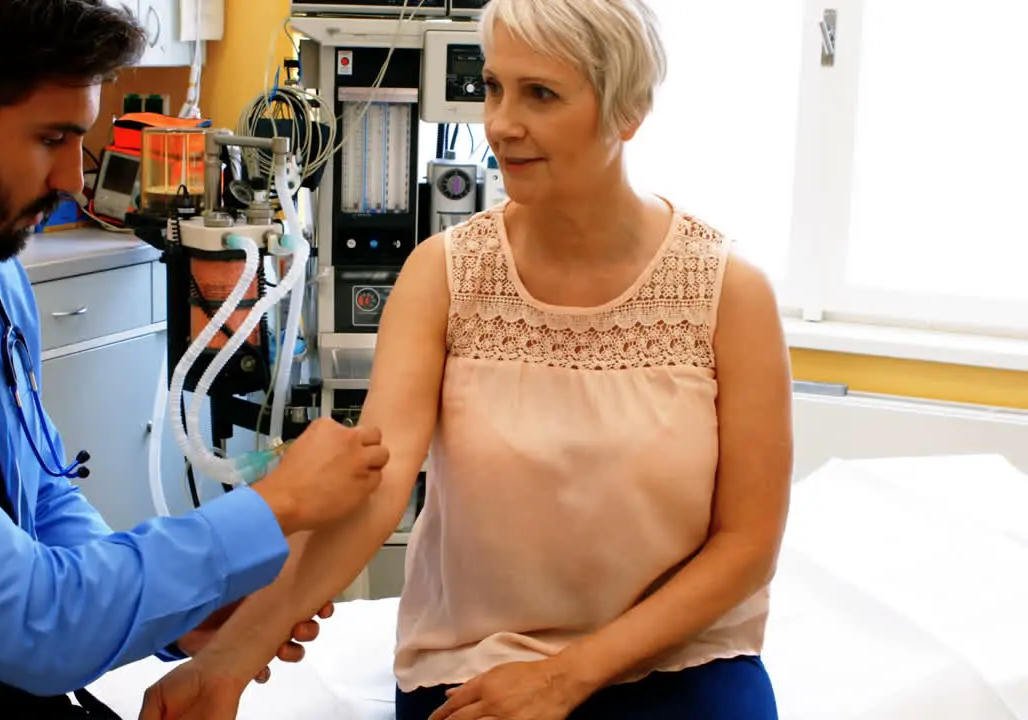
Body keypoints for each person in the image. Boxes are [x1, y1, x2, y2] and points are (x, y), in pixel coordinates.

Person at [138, 0, 794, 719]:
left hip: (680, 657)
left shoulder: (729, 294)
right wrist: (230, 659)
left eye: (540, 93)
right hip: (479, 659)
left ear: (627, 111)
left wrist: (569, 676)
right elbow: (374, 493)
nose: (502, 123)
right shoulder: (443, 276)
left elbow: (747, 545)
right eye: (493, 87)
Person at [0, 1, 391, 718]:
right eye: (51, 139)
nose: (70, 182)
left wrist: (176, 608)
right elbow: (34, 622)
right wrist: (277, 504)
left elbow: (40, 496)